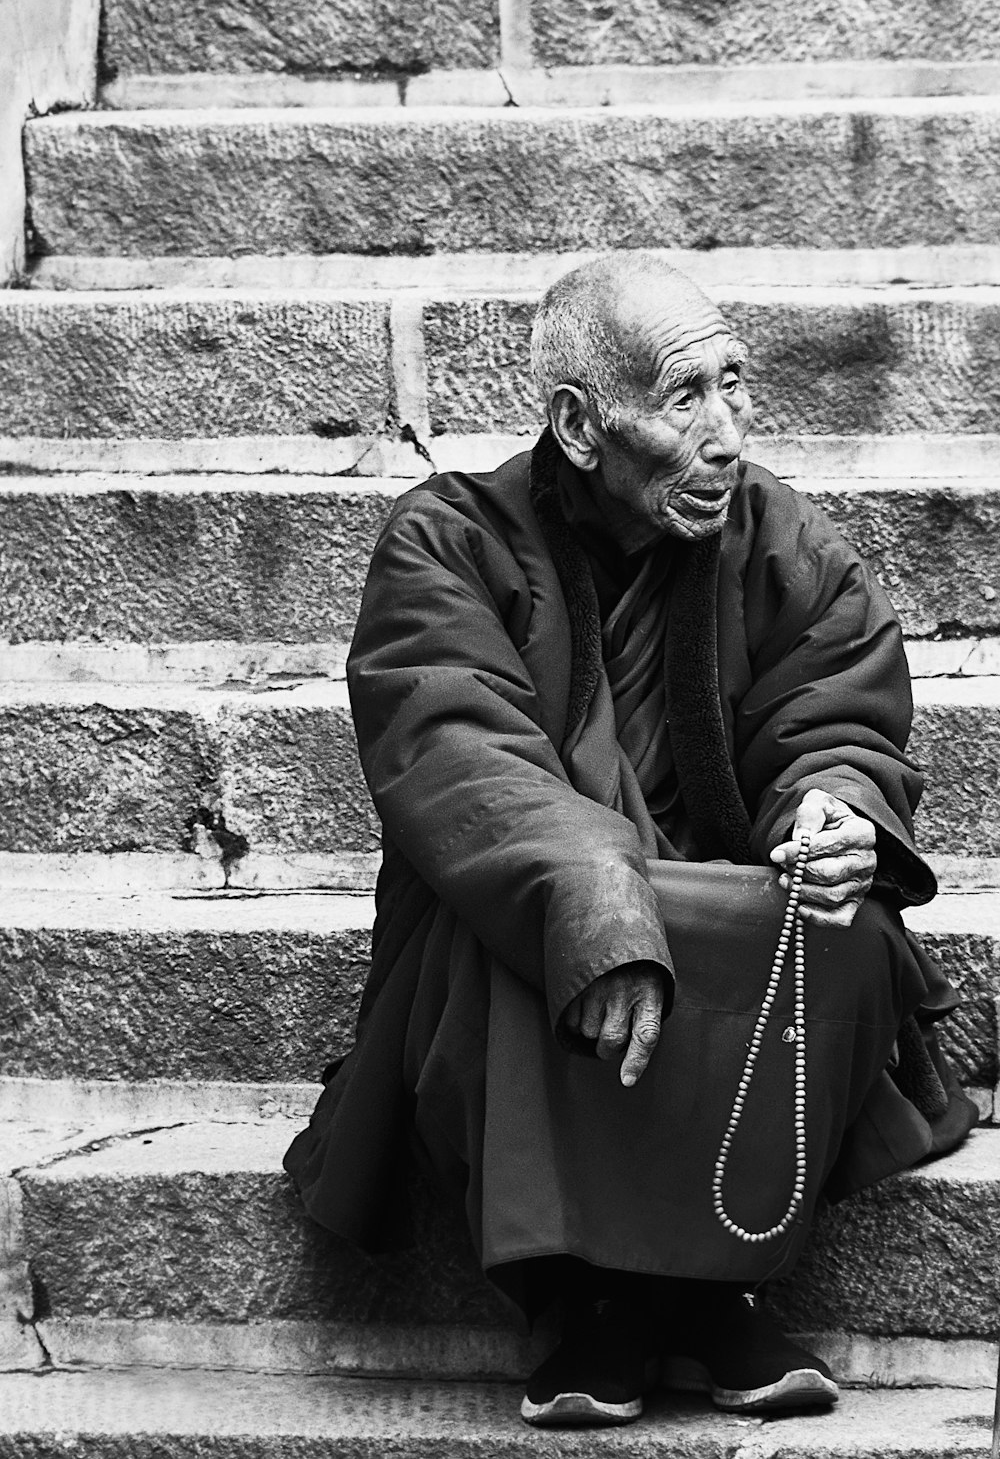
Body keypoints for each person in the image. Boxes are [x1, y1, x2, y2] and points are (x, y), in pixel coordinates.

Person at [284, 252, 976, 1428]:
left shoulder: (776, 539)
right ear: (578, 425)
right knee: (516, 934)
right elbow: (459, 754)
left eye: (735, 383)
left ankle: (683, 1302)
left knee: (838, 926)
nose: (727, 433)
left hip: (712, 896)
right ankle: (601, 1303)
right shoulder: (448, 541)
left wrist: (836, 808)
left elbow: (835, 707)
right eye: (683, 397)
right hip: (541, 897)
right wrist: (596, 895)